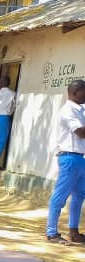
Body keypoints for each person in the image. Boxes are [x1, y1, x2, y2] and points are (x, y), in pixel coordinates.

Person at [44, 80, 85, 245]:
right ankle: (51, 232)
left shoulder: (80, 109)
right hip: (69, 158)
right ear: (75, 92)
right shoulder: (68, 110)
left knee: (79, 195)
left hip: (79, 158)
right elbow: (80, 132)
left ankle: (73, 232)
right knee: (60, 196)